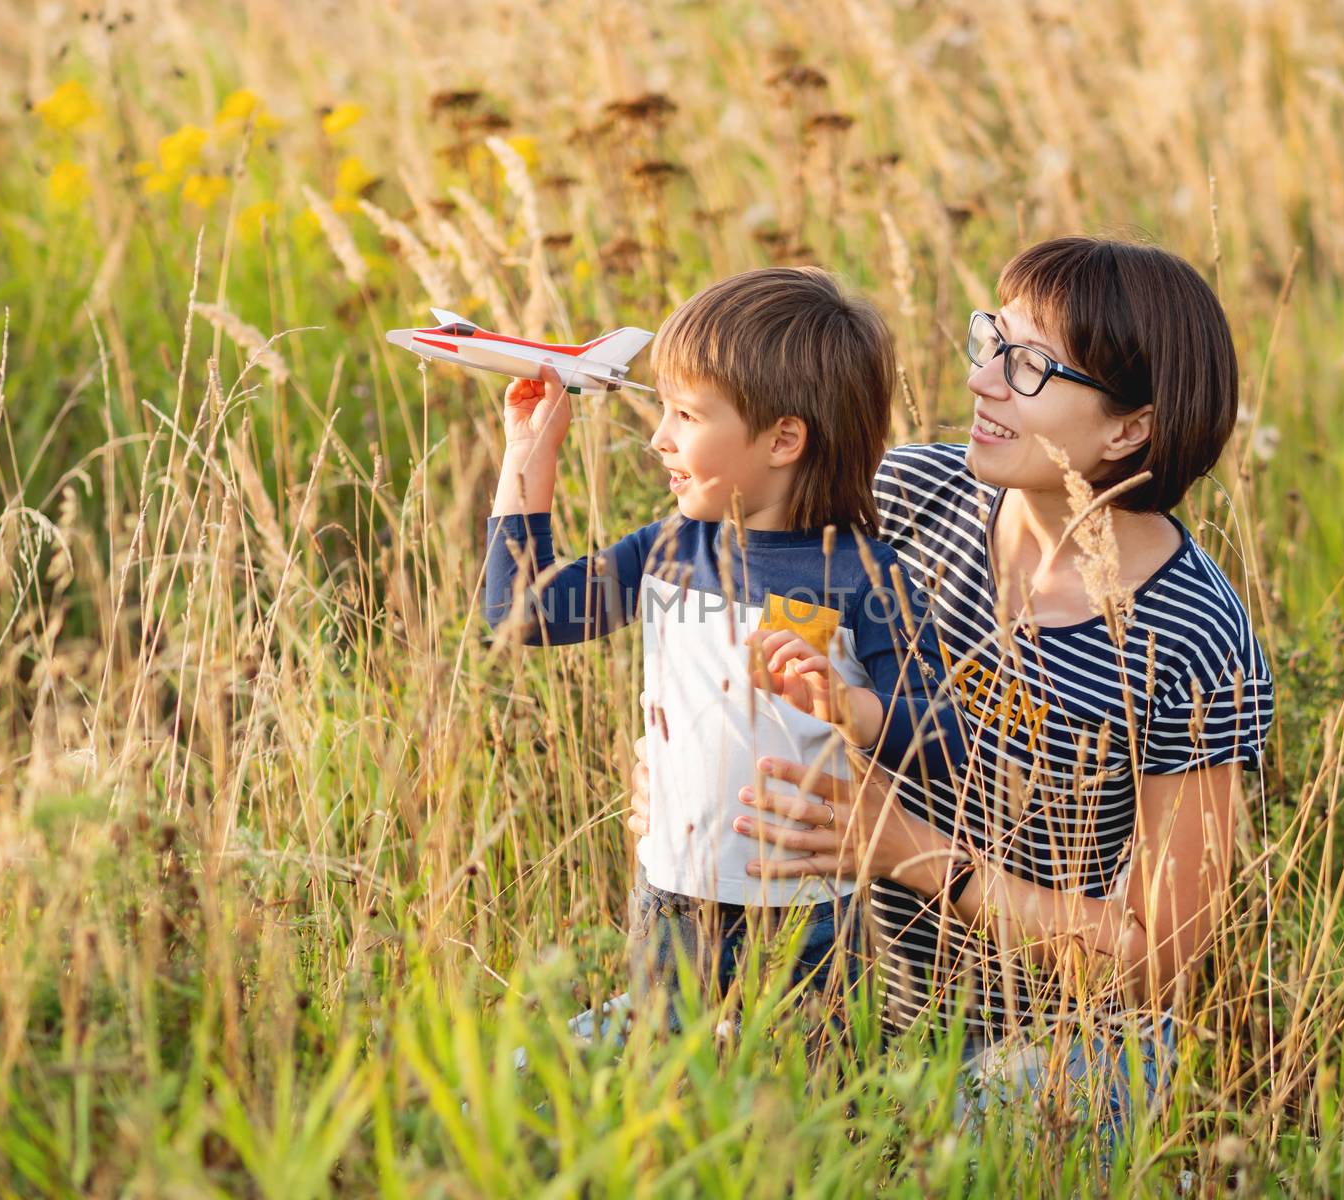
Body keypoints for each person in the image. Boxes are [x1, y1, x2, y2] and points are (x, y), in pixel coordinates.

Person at [629, 237, 1274, 1151]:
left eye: (1029, 367)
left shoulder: (1197, 643)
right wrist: (689, 774)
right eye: (989, 343)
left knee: (914, 1161)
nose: (982, 382)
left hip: (1051, 1048)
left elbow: (1156, 967)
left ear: (1129, 428)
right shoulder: (903, 497)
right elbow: (769, 674)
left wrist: (910, 852)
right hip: (832, 992)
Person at [485, 267, 968, 1023]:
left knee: (803, 1112)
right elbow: (524, 615)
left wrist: (850, 707)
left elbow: (945, 736)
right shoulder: (672, 548)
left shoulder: (866, 577)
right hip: (672, 905)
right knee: (671, 1095)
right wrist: (527, 457)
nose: (658, 439)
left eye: (685, 415)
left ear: (783, 439)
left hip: (811, 924)